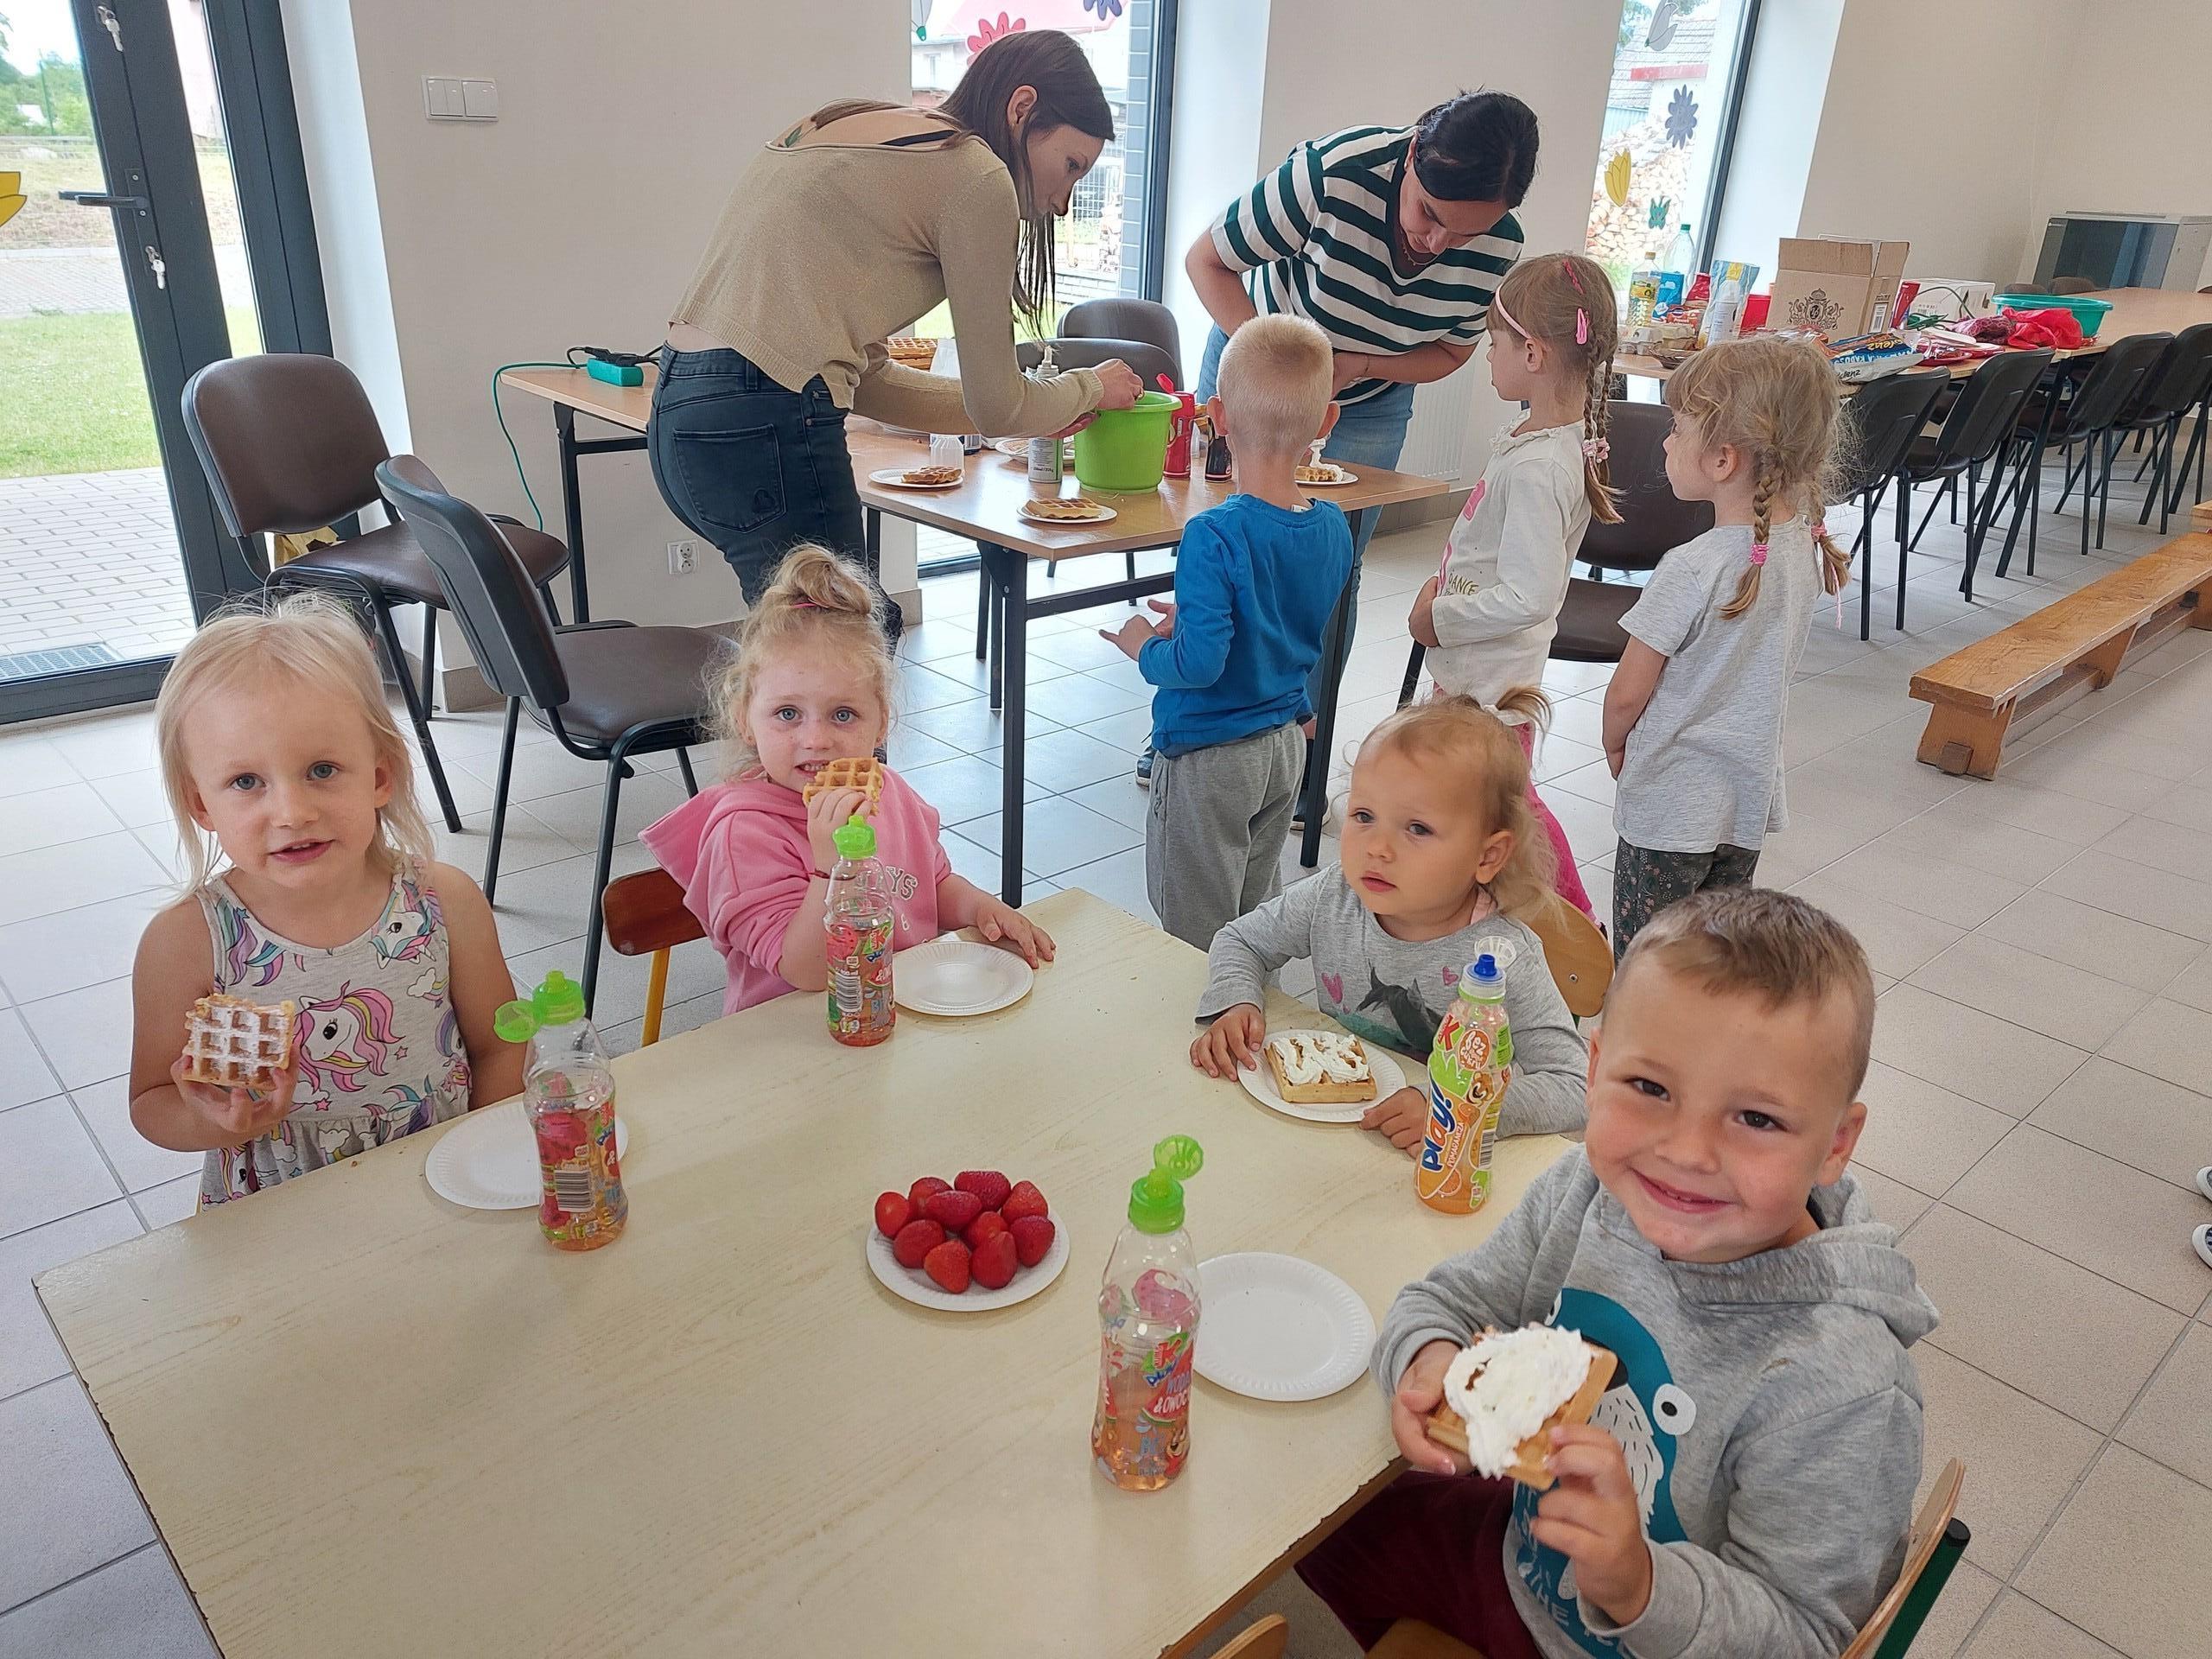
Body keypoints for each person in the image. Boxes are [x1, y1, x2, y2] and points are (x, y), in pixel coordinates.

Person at [1297, 887, 1936, 1659]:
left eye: (1757, 1119)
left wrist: (1642, 1586)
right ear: (1596, 1071)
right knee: (1306, 1516)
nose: (1686, 1152)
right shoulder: (1590, 1192)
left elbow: (1807, 1635)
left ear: (1835, 1144)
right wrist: (1431, 1364)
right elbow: (1449, 1300)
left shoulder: (1844, 1387)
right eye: (1651, 1089)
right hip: (1518, 1558)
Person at [652, 29, 1143, 622]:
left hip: (682, 411)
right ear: (1022, 108)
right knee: (847, 643)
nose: (1064, 202)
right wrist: (1087, 387)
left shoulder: (858, 124)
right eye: (1071, 166)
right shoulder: (976, 176)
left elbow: (873, 384)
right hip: (766, 414)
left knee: (809, 646)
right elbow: (999, 407)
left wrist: (1036, 409)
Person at [1138, 91, 1537, 787]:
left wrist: (1360, 366)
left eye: (1463, 236)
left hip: (1369, 397)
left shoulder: (1501, 245)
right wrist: (1277, 373)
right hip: (1257, 360)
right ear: (1411, 158)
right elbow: (1208, 262)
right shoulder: (1333, 174)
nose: (1438, 245)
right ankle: (1188, 737)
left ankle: (1296, 747)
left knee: (1331, 569)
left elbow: (1450, 351)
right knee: (1220, 554)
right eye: (1430, 215)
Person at [128, 595, 523, 1208]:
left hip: (440, 1185)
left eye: (321, 770)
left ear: (380, 777)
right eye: (246, 782)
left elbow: (502, 1046)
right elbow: (151, 1100)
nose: (292, 813)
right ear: (201, 803)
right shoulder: (187, 941)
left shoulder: (446, 902)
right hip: (279, 1211)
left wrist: (479, 1162)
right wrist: (220, 1123)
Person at [641, 545, 1050, 1014]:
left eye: (843, 714)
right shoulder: (743, 834)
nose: (816, 740)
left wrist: (981, 909)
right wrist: (831, 868)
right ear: (744, 720)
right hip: (795, 1038)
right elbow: (808, 973)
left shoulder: (891, 795)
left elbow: (934, 886)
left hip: (899, 1017)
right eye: (787, 713)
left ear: (881, 723)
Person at [1190, 692, 1586, 1149]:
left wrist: (1457, 1111)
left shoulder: (1504, 957)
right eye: (1364, 816)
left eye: (1417, 828)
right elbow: (1241, 940)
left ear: (1487, 856)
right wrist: (1238, 1000)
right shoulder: (1336, 894)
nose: (1377, 848)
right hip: (1336, 1139)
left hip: (1438, 1166)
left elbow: (1574, 1086)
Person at [1100, 315, 1352, 950]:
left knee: (1196, 934)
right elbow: (1284, 622)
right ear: (1327, 422)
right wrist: (1197, 619)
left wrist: (1145, 646)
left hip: (1210, 757)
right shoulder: (1333, 527)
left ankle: (1211, 1010)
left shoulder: (1213, 533)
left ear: (1216, 416)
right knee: (1255, 915)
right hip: (1283, 749)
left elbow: (1200, 665)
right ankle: (1253, 1003)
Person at [1602, 335, 1851, 957]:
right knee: (1711, 961)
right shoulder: (1803, 549)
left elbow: (1627, 693)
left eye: (1676, 428)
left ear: (1722, 460)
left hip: (1670, 805)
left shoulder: (1692, 567)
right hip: (1744, 801)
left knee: (1646, 962)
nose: (1666, 442)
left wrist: (1614, 743)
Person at [1408, 253, 1623, 921]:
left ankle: (1574, 924)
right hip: (1478, 675)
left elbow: (1531, 596)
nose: (1486, 355)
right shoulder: (1544, 440)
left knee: (1513, 810)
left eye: (1494, 342)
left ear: (1532, 353)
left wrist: (1439, 619)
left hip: (1493, 684)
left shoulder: (1539, 468)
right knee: (1484, 804)